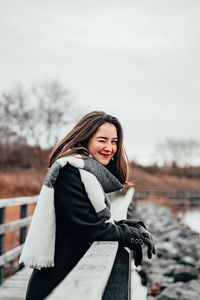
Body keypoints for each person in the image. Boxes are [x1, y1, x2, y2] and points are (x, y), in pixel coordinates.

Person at [19, 111, 155, 299]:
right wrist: (131, 236)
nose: (110, 147)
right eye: (102, 140)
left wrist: (132, 226)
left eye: (114, 141)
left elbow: (89, 219)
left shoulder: (86, 173)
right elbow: (90, 228)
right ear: (85, 140)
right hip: (57, 283)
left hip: (75, 277)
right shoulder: (69, 172)